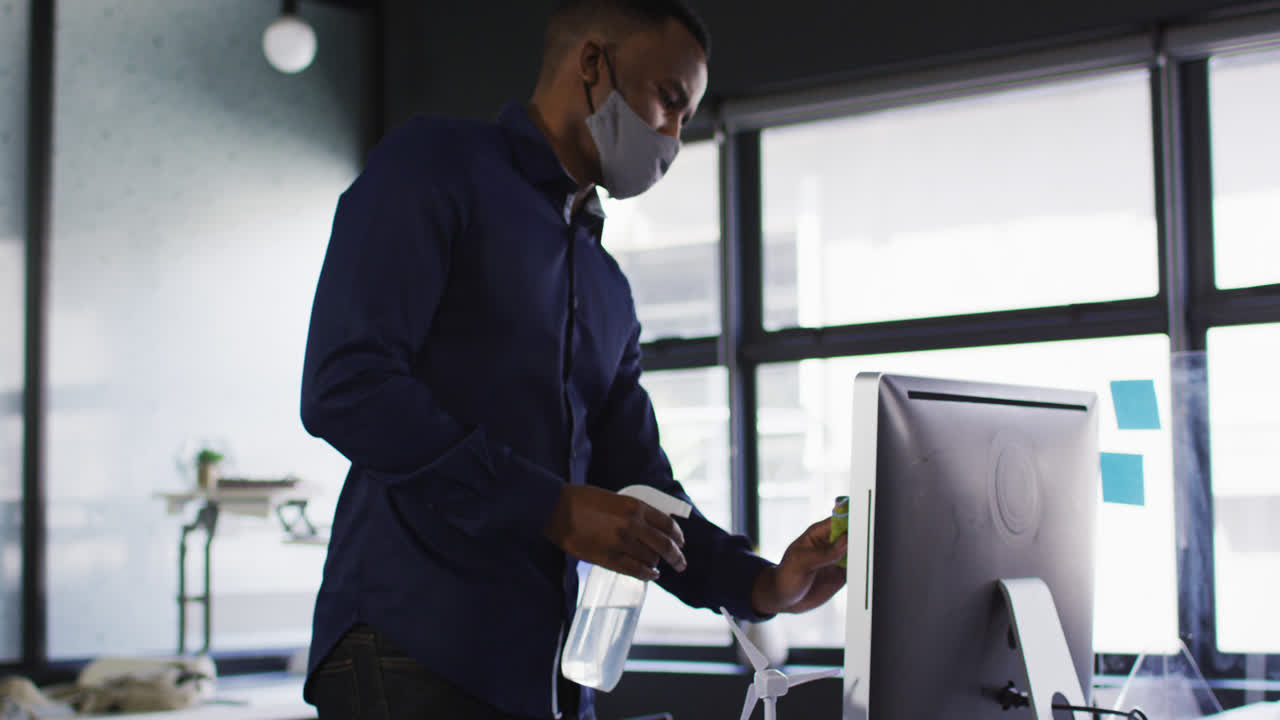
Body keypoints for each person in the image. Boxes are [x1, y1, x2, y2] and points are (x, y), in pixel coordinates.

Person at [298, 1, 848, 718]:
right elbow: (348, 385)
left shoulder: (606, 287)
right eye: (669, 101)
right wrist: (551, 506)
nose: (676, 137)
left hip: (546, 678)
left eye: (688, 119)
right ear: (593, 64)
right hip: (409, 649)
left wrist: (763, 584)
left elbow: (640, 486)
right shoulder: (433, 167)